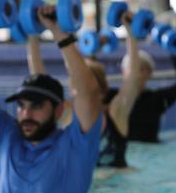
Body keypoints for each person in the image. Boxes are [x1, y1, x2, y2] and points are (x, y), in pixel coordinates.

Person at [0, 4, 102, 193]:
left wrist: (60, 33)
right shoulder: (4, 139)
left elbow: (87, 94)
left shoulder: (76, 145)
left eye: (37, 106)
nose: (26, 114)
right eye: (21, 106)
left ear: (59, 111)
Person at [29, 16, 144, 168]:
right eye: (79, 89)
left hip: (116, 186)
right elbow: (40, 84)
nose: (84, 94)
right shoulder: (68, 115)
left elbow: (133, 78)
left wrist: (130, 31)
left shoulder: (116, 113)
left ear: (102, 91)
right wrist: (32, 35)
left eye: (88, 90)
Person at [122, 44, 176, 143]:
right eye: (133, 67)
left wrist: (173, 51)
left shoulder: (158, 99)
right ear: (124, 72)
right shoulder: (116, 99)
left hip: (152, 150)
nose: (137, 72)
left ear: (150, 72)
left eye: (141, 68)